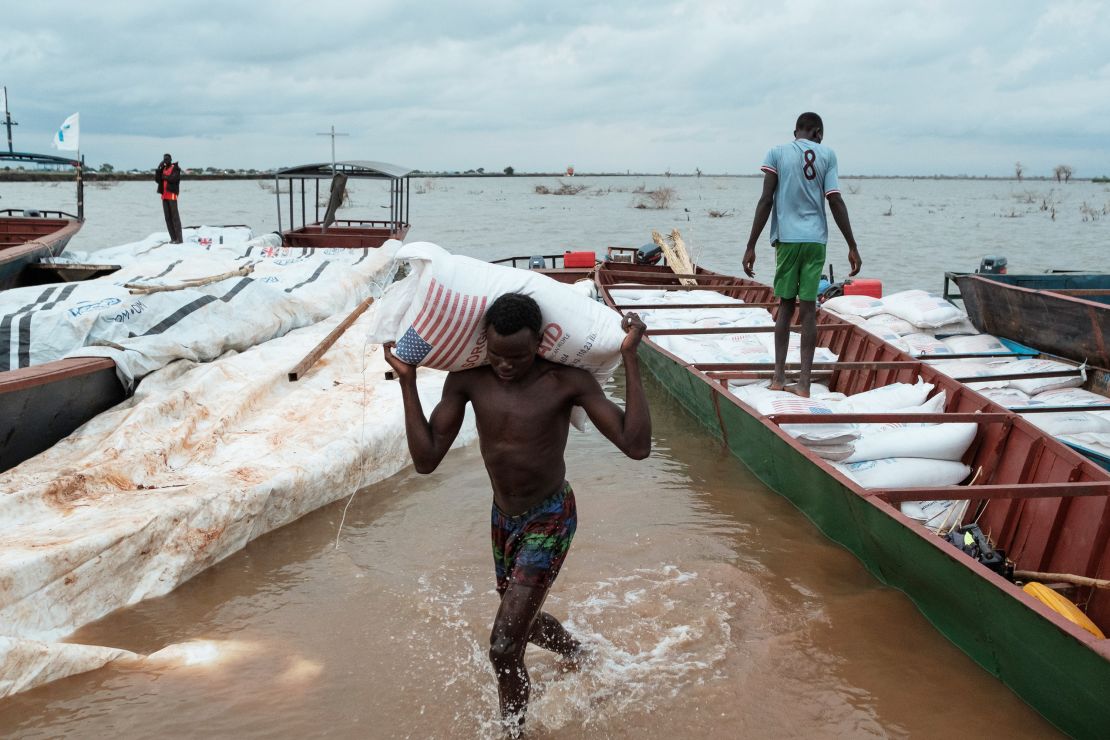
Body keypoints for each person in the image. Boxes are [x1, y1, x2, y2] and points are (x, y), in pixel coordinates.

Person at [383, 293, 651, 735]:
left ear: (540, 344)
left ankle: (512, 733)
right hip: (503, 519)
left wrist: (631, 361)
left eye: (518, 356)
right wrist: (408, 382)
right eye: (497, 354)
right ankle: (579, 653)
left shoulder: (567, 382)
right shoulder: (467, 381)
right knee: (517, 619)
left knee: (503, 646)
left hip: (550, 516)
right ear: (484, 343)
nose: (505, 366)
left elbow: (636, 446)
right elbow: (426, 458)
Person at [742, 112, 862, 398]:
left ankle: (779, 377)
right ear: (818, 133)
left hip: (787, 240)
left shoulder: (777, 153)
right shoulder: (827, 155)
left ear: (796, 131)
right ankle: (805, 384)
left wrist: (751, 245)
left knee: (785, 307)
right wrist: (852, 245)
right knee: (809, 310)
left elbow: (766, 200)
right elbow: (835, 199)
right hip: (815, 241)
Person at [155, 153, 183, 244]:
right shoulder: (163, 169)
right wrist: (158, 169)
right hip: (164, 196)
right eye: (164, 159)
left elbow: (173, 179)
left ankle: (179, 239)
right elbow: (157, 180)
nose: (165, 160)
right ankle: (173, 238)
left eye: (167, 159)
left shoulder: (176, 169)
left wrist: (164, 176)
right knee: (167, 218)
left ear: (170, 160)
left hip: (172, 195)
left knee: (175, 217)